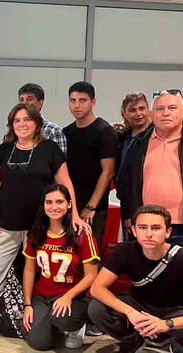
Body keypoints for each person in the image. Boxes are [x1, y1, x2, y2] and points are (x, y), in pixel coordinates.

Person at [0, 103, 86, 332]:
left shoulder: (50, 148)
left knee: (43, 270)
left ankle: (48, 314)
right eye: (17, 120)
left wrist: (75, 215)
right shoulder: (4, 149)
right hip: (6, 223)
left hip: (41, 226)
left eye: (27, 120)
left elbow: (65, 182)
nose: (22, 124)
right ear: (12, 125)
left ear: (36, 123)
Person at [89, 204, 183, 353]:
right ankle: (132, 341)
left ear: (168, 232)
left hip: (176, 310)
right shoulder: (125, 252)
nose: (149, 234)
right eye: (143, 227)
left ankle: (180, 348)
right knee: (97, 309)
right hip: (139, 306)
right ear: (134, 230)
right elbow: (97, 288)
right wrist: (130, 312)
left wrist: (168, 324)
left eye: (156, 228)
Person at [116, 90, 183, 253]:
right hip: (147, 228)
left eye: (172, 108)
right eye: (160, 109)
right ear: (151, 115)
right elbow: (124, 184)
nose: (166, 113)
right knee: (149, 278)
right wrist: (128, 215)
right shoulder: (138, 144)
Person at [22, 184, 100, 350]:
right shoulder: (37, 233)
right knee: (38, 343)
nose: (54, 207)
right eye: (48, 202)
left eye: (59, 202)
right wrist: (27, 305)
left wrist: (68, 296)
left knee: (62, 319)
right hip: (43, 296)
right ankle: (52, 326)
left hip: (73, 296)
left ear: (69, 204)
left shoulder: (81, 233)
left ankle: (75, 328)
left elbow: (92, 275)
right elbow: (29, 270)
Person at [62, 81, 117, 248]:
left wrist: (91, 206)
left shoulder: (105, 131)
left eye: (82, 100)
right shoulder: (66, 132)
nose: (77, 105)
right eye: (73, 100)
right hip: (69, 204)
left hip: (94, 208)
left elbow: (108, 172)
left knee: (91, 255)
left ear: (93, 102)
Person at [115, 92, 153, 241]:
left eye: (142, 108)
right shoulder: (122, 137)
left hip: (149, 206)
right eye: (133, 110)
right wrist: (127, 213)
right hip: (128, 206)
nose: (139, 113)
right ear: (124, 113)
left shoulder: (155, 135)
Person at [18, 83, 68, 154]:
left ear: (40, 103)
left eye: (29, 99)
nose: (25, 103)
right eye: (22, 100)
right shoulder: (15, 128)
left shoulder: (53, 130)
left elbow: (60, 163)